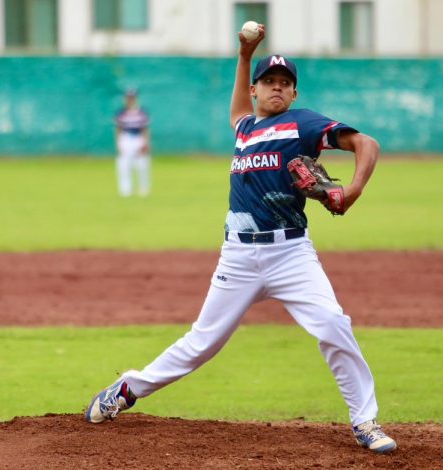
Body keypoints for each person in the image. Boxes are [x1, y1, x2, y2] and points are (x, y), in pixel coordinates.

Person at [85, 25, 397, 454]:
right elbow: (236, 109)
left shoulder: (304, 123)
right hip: (238, 256)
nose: (277, 87)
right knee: (202, 344)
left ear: (293, 93)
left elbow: (366, 143)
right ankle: (127, 388)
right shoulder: (245, 127)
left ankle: (365, 421)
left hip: (290, 253)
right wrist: (245, 54)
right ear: (255, 89)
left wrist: (353, 191)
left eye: (285, 83)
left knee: (332, 325)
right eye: (269, 81)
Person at [114, 88, 151, 197]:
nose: (130, 100)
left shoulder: (142, 112)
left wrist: (146, 142)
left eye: (132, 98)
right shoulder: (121, 113)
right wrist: (119, 143)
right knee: (124, 165)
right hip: (126, 138)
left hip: (138, 137)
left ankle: (144, 189)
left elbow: (145, 129)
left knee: (142, 165)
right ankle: (126, 190)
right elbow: (118, 129)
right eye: (128, 98)